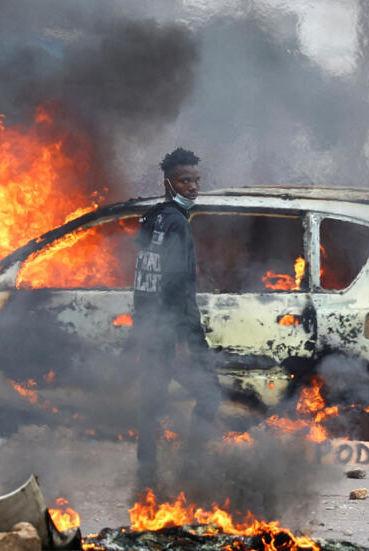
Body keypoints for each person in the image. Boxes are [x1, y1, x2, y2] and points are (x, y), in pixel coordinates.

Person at [132, 147, 219, 491]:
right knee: (210, 395)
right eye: (186, 181)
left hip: (150, 328)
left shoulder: (150, 218)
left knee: (151, 400)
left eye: (196, 180)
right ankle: (191, 466)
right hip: (173, 330)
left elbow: (142, 277)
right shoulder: (178, 225)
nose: (194, 187)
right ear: (168, 183)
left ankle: (147, 470)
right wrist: (185, 339)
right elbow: (178, 285)